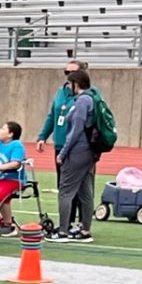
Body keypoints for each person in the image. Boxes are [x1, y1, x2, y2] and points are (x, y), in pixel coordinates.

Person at [35, 59, 89, 224]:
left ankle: (78, 223)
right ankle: (70, 220)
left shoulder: (86, 96)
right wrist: (43, 136)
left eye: (72, 72)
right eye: (66, 72)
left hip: (78, 147)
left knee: (82, 188)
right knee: (63, 185)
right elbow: (53, 115)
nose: (68, 76)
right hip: (61, 144)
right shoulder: (61, 92)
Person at [50, 70, 97, 243]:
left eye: (70, 83)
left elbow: (76, 130)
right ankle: (85, 230)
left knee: (66, 191)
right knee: (85, 191)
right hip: (88, 153)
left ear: (76, 83)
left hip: (78, 151)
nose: (68, 87)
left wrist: (63, 153)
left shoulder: (82, 101)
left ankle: (63, 231)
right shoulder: (90, 98)